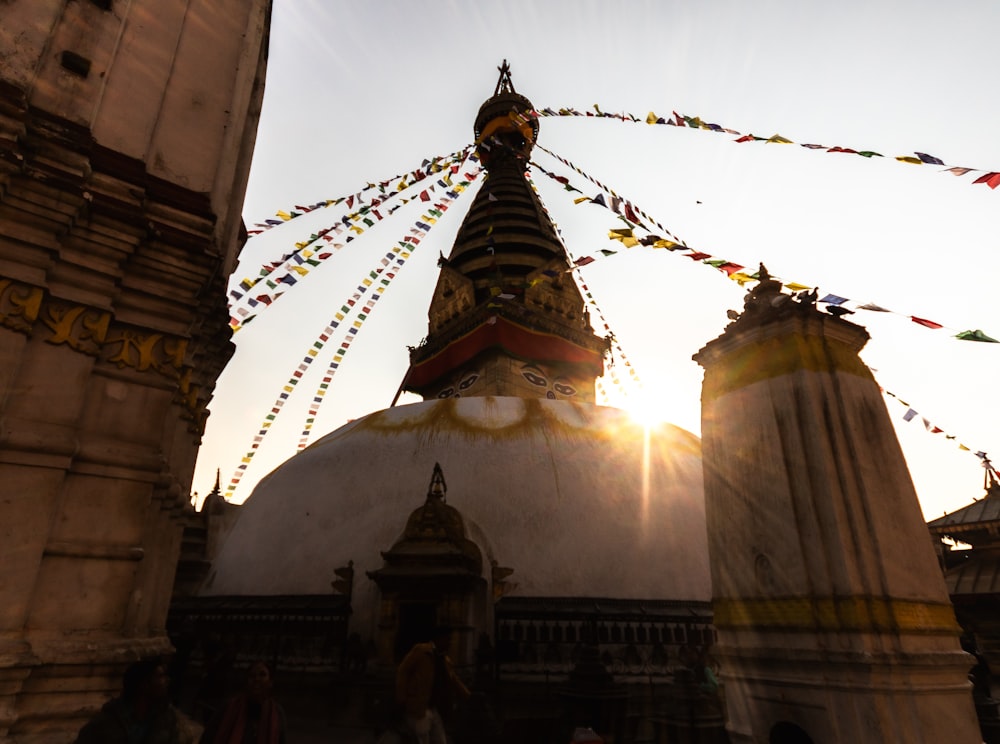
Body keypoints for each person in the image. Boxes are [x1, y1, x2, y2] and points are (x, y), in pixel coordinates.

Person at [74, 657, 190, 744]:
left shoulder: (167, 718)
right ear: (144, 685)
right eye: (160, 677)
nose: (166, 681)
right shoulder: (107, 723)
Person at [395, 626, 471, 744]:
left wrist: (469, 696)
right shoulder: (421, 651)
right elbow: (403, 670)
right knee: (423, 739)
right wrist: (402, 698)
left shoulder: (444, 659)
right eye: (448, 639)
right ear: (439, 639)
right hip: (420, 706)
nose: (450, 643)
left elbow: (454, 679)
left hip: (434, 707)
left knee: (440, 740)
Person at [200, 661, 286, 744]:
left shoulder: (277, 713)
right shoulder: (229, 708)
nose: (257, 679)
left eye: (262, 675)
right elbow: (207, 739)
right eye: (252, 675)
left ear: (270, 682)